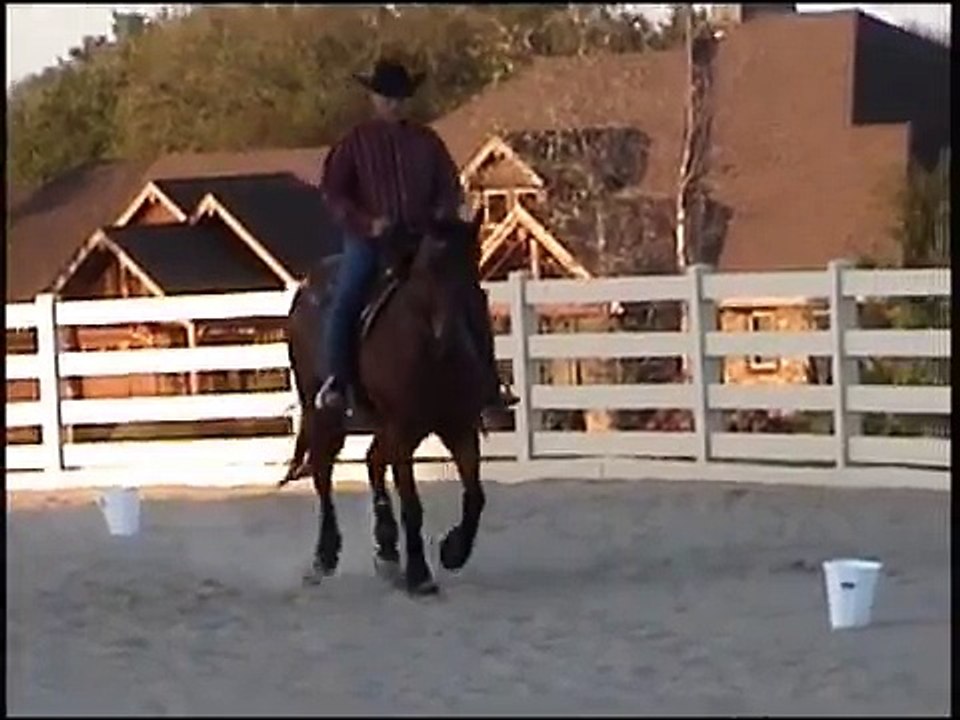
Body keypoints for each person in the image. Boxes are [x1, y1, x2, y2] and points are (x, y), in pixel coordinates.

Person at [318, 58, 518, 420]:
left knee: (465, 294)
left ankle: (488, 384)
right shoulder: (354, 143)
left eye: (399, 98)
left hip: (422, 238)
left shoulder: (427, 142)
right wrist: (366, 222)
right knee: (348, 295)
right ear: (374, 99)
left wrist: (442, 215)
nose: (393, 104)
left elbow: (448, 186)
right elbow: (335, 193)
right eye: (386, 97)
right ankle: (337, 381)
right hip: (372, 241)